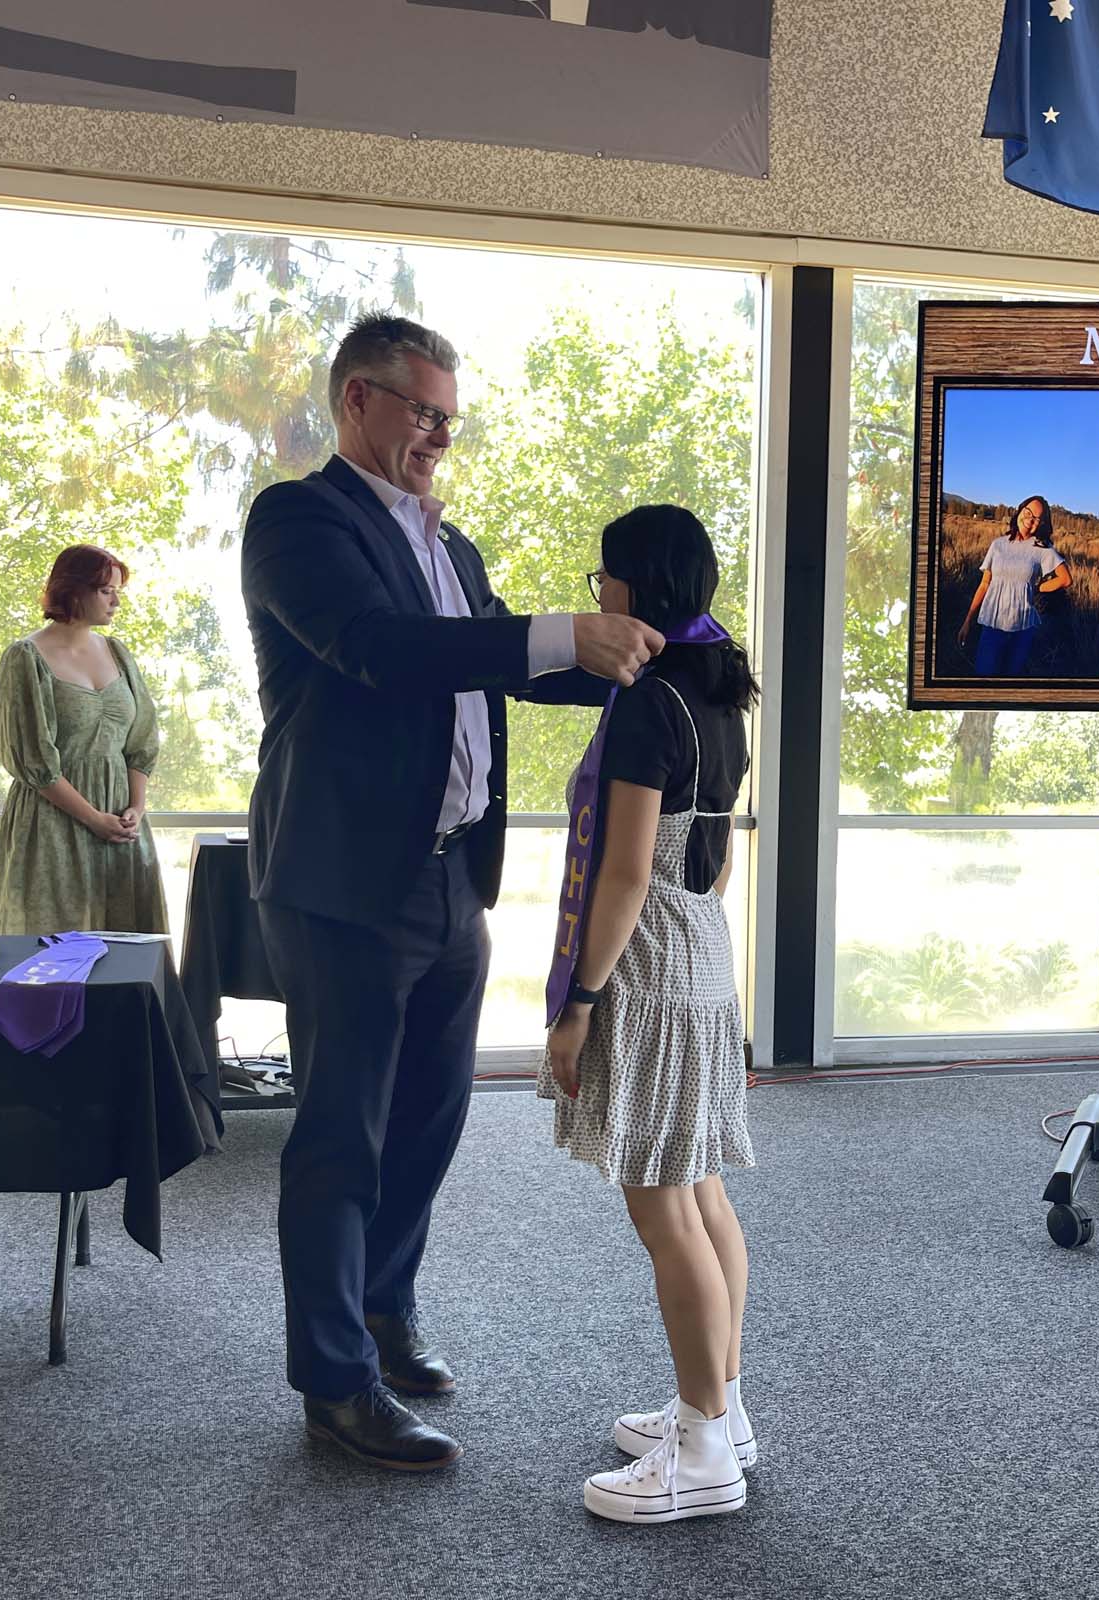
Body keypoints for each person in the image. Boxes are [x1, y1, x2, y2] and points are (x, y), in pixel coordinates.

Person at [240, 312, 663, 1472]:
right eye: (422, 411)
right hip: (343, 884)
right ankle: (336, 1384)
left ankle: (383, 1309)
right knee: (343, 1136)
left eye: (449, 419)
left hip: (450, 880)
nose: (438, 434)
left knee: (429, 1121)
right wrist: (562, 630)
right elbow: (385, 650)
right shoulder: (298, 522)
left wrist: (645, 663)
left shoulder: (453, 546)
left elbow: (500, 665)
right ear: (356, 400)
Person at [538, 504, 757, 1525]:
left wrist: (579, 1003)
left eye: (603, 578)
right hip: (703, 944)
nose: (598, 595)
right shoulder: (718, 685)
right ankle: (721, 1409)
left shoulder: (645, 702)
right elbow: (710, 851)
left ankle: (704, 1449)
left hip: (650, 961)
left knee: (662, 1205)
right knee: (701, 1189)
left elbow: (625, 873)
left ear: (636, 585)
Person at [0, 544, 166, 936]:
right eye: (106, 591)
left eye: (117, 591)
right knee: (53, 948)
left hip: (121, 825)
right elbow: (31, 759)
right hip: (53, 823)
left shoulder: (118, 653)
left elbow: (141, 742)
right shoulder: (25, 657)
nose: (116, 602)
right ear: (73, 590)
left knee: (126, 946)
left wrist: (136, 808)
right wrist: (92, 819)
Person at [957, 495, 1071, 676]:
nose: (1030, 520)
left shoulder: (1042, 548)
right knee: (984, 677)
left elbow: (1065, 579)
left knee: (1010, 681)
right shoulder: (997, 545)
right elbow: (984, 584)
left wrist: (1038, 588)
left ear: (1041, 524)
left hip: (1022, 629)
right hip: (992, 625)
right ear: (1020, 510)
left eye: (1037, 519)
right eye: (1028, 512)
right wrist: (967, 621)